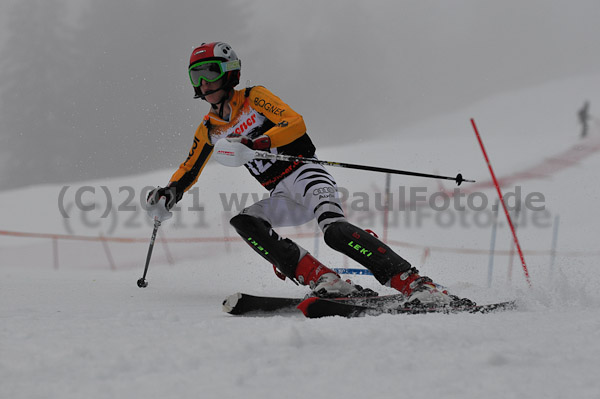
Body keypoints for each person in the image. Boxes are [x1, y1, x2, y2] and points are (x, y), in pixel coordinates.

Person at [147, 42, 450, 304]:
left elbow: (294, 123)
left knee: (335, 231)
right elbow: (190, 168)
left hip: (306, 174)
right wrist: (169, 192)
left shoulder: (255, 97)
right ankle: (324, 279)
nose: (204, 83)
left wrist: (258, 142)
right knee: (244, 221)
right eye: (196, 76)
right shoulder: (209, 129)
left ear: (229, 72)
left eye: (210, 72)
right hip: (281, 193)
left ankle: (414, 283)